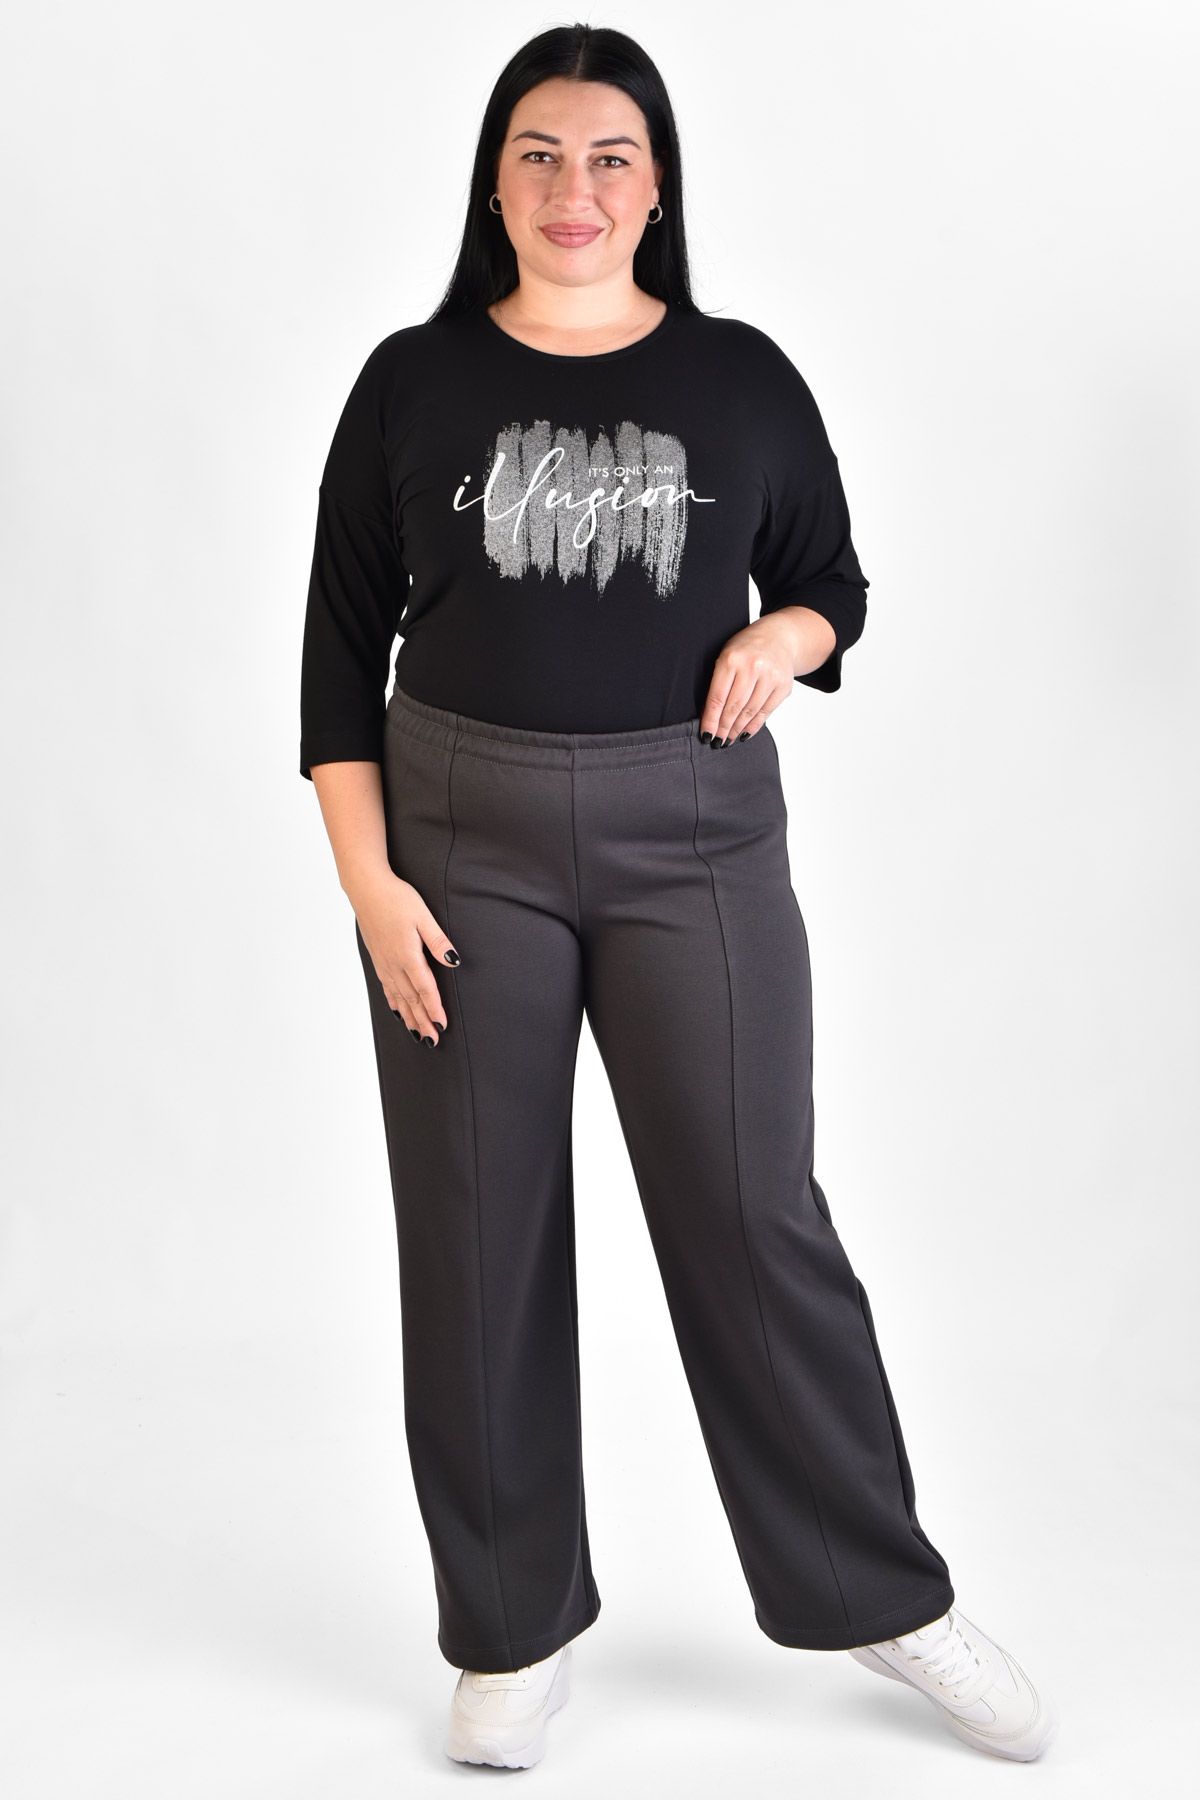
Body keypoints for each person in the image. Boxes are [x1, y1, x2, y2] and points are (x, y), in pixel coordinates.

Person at [298, 23, 1057, 1772]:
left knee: (750, 1208)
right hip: (456, 844)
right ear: (495, 184)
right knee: (473, 1234)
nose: (576, 188)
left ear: (658, 189)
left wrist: (787, 635)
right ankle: (508, 1630)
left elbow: (833, 581)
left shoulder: (740, 378)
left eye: (612, 156)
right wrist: (370, 887)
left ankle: (883, 1595)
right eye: (541, 154)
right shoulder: (411, 382)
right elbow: (338, 656)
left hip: (694, 838)